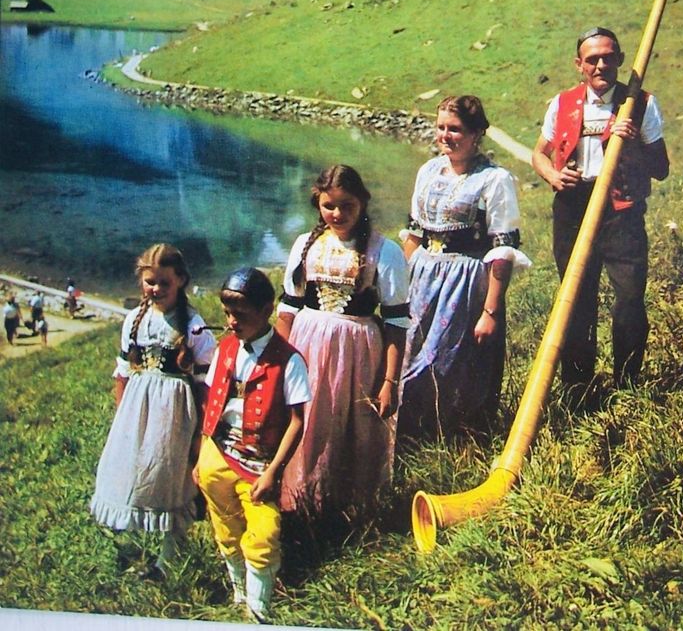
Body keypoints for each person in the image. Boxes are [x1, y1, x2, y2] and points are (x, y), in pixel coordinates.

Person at [531, 26, 669, 399]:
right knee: (575, 296)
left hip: (620, 209)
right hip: (573, 208)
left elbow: (661, 168)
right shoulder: (561, 103)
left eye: (609, 57)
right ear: (579, 65)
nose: (601, 64)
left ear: (621, 60)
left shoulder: (640, 102)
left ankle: (627, 384)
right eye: (592, 59)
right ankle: (577, 388)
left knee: (628, 296)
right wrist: (554, 176)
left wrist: (635, 137)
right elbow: (538, 154)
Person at [276, 164, 410, 516]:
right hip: (305, 349)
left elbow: (397, 323)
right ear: (317, 204)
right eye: (328, 206)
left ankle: (346, 510)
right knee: (306, 421)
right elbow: (288, 311)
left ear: (362, 203)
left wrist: (389, 381)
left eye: (346, 205)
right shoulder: (306, 245)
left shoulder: (386, 251)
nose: (337, 214)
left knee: (350, 425)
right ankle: (300, 504)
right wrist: (276, 364)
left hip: (358, 352)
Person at [398, 95, 530, 442]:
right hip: (423, 275)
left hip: (466, 281)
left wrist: (490, 311)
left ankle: (456, 441)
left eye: (455, 129)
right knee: (410, 357)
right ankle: (411, 436)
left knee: (450, 362)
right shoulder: (427, 170)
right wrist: (398, 285)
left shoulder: (494, 179)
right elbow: (414, 233)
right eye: (441, 127)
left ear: (477, 134)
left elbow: (502, 250)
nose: (445, 136)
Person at [90, 243, 216, 579]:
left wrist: (202, 432)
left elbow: (207, 383)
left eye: (164, 283)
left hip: (176, 413)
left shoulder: (193, 326)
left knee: (171, 476)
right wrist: (121, 416)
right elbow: (123, 372)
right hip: (138, 407)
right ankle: (129, 534)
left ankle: (170, 556)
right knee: (135, 468)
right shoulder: (135, 320)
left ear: (181, 281)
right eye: (150, 282)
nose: (156, 289)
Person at [196, 267, 310, 621]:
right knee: (225, 525)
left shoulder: (288, 360)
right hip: (218, 452)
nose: (231, 322)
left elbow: (297, 421)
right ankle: (239, 592)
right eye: (227, 314)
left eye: (240, 315)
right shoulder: (225, 348)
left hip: (259, 464)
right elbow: (212, 399)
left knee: (264, 530)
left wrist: (274, 472)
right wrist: (203, 454)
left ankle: (259, 609)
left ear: (266, 311)